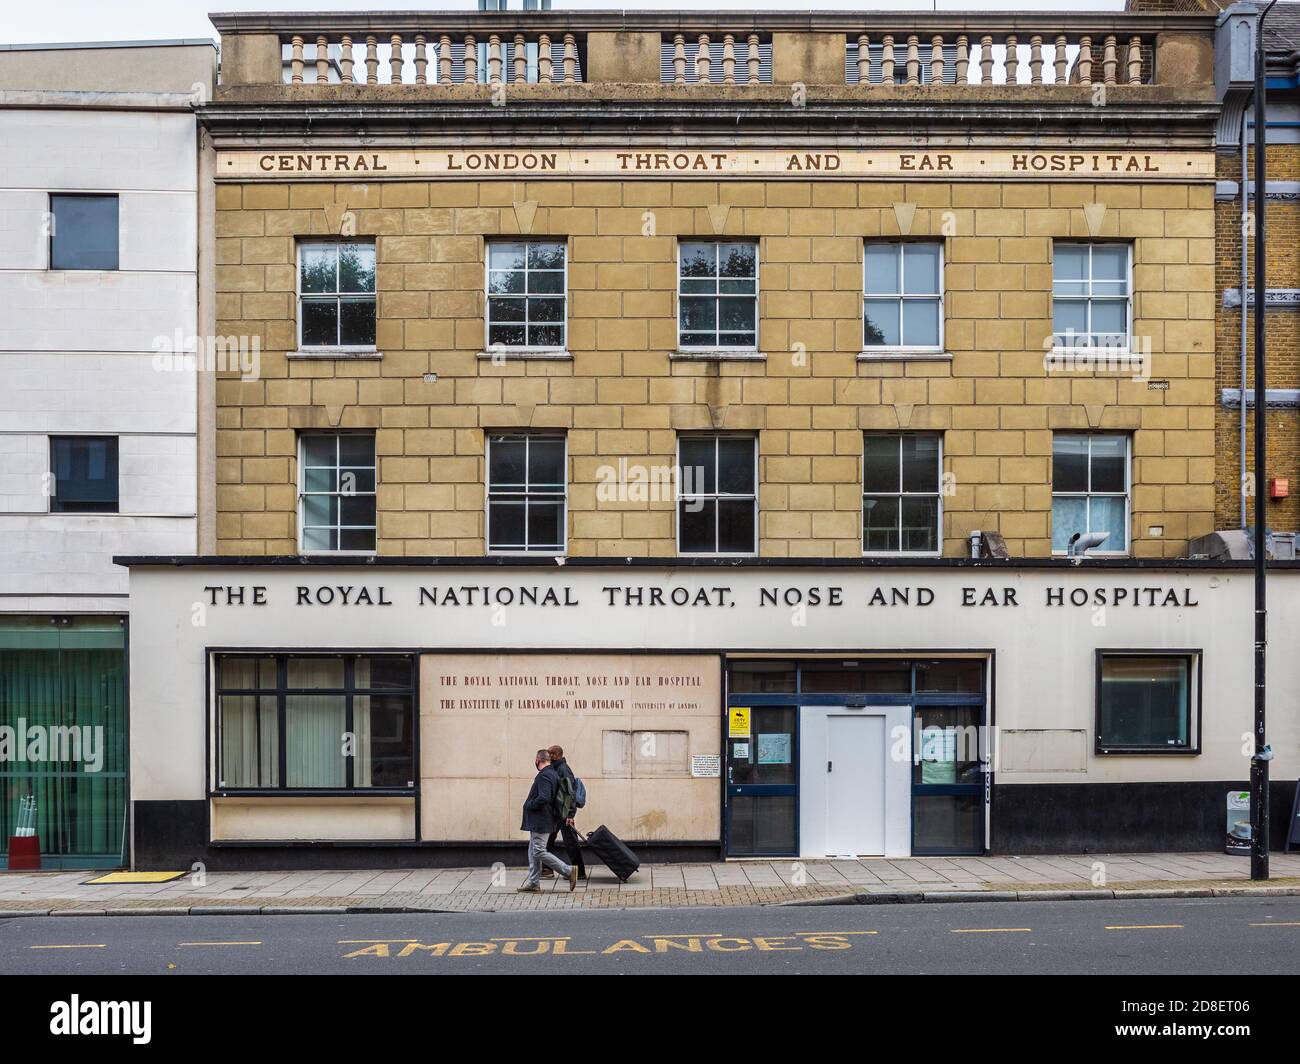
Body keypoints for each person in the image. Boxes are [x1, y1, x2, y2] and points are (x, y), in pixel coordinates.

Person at [517, 748, 579, 893]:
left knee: (538, 851)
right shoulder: (552, 773)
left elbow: (544, 798)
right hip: (542, 820)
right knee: (533, 850)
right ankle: (533, 882)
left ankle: (569, 871)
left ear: (538, 760)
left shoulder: (545, 776)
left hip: (541, 820)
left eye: (536, 760)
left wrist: (529, 804)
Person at [543, 744, 586, 880]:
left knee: (571, 842)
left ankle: (579, 872)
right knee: (548, 841)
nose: (548, 756)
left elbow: (570, 793)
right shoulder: (556, 768)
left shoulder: (563, 770)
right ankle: (547, 869)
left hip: (564, 813)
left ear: (557, 755)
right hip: (557, 812)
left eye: (550, 753)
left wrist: (570, 815)